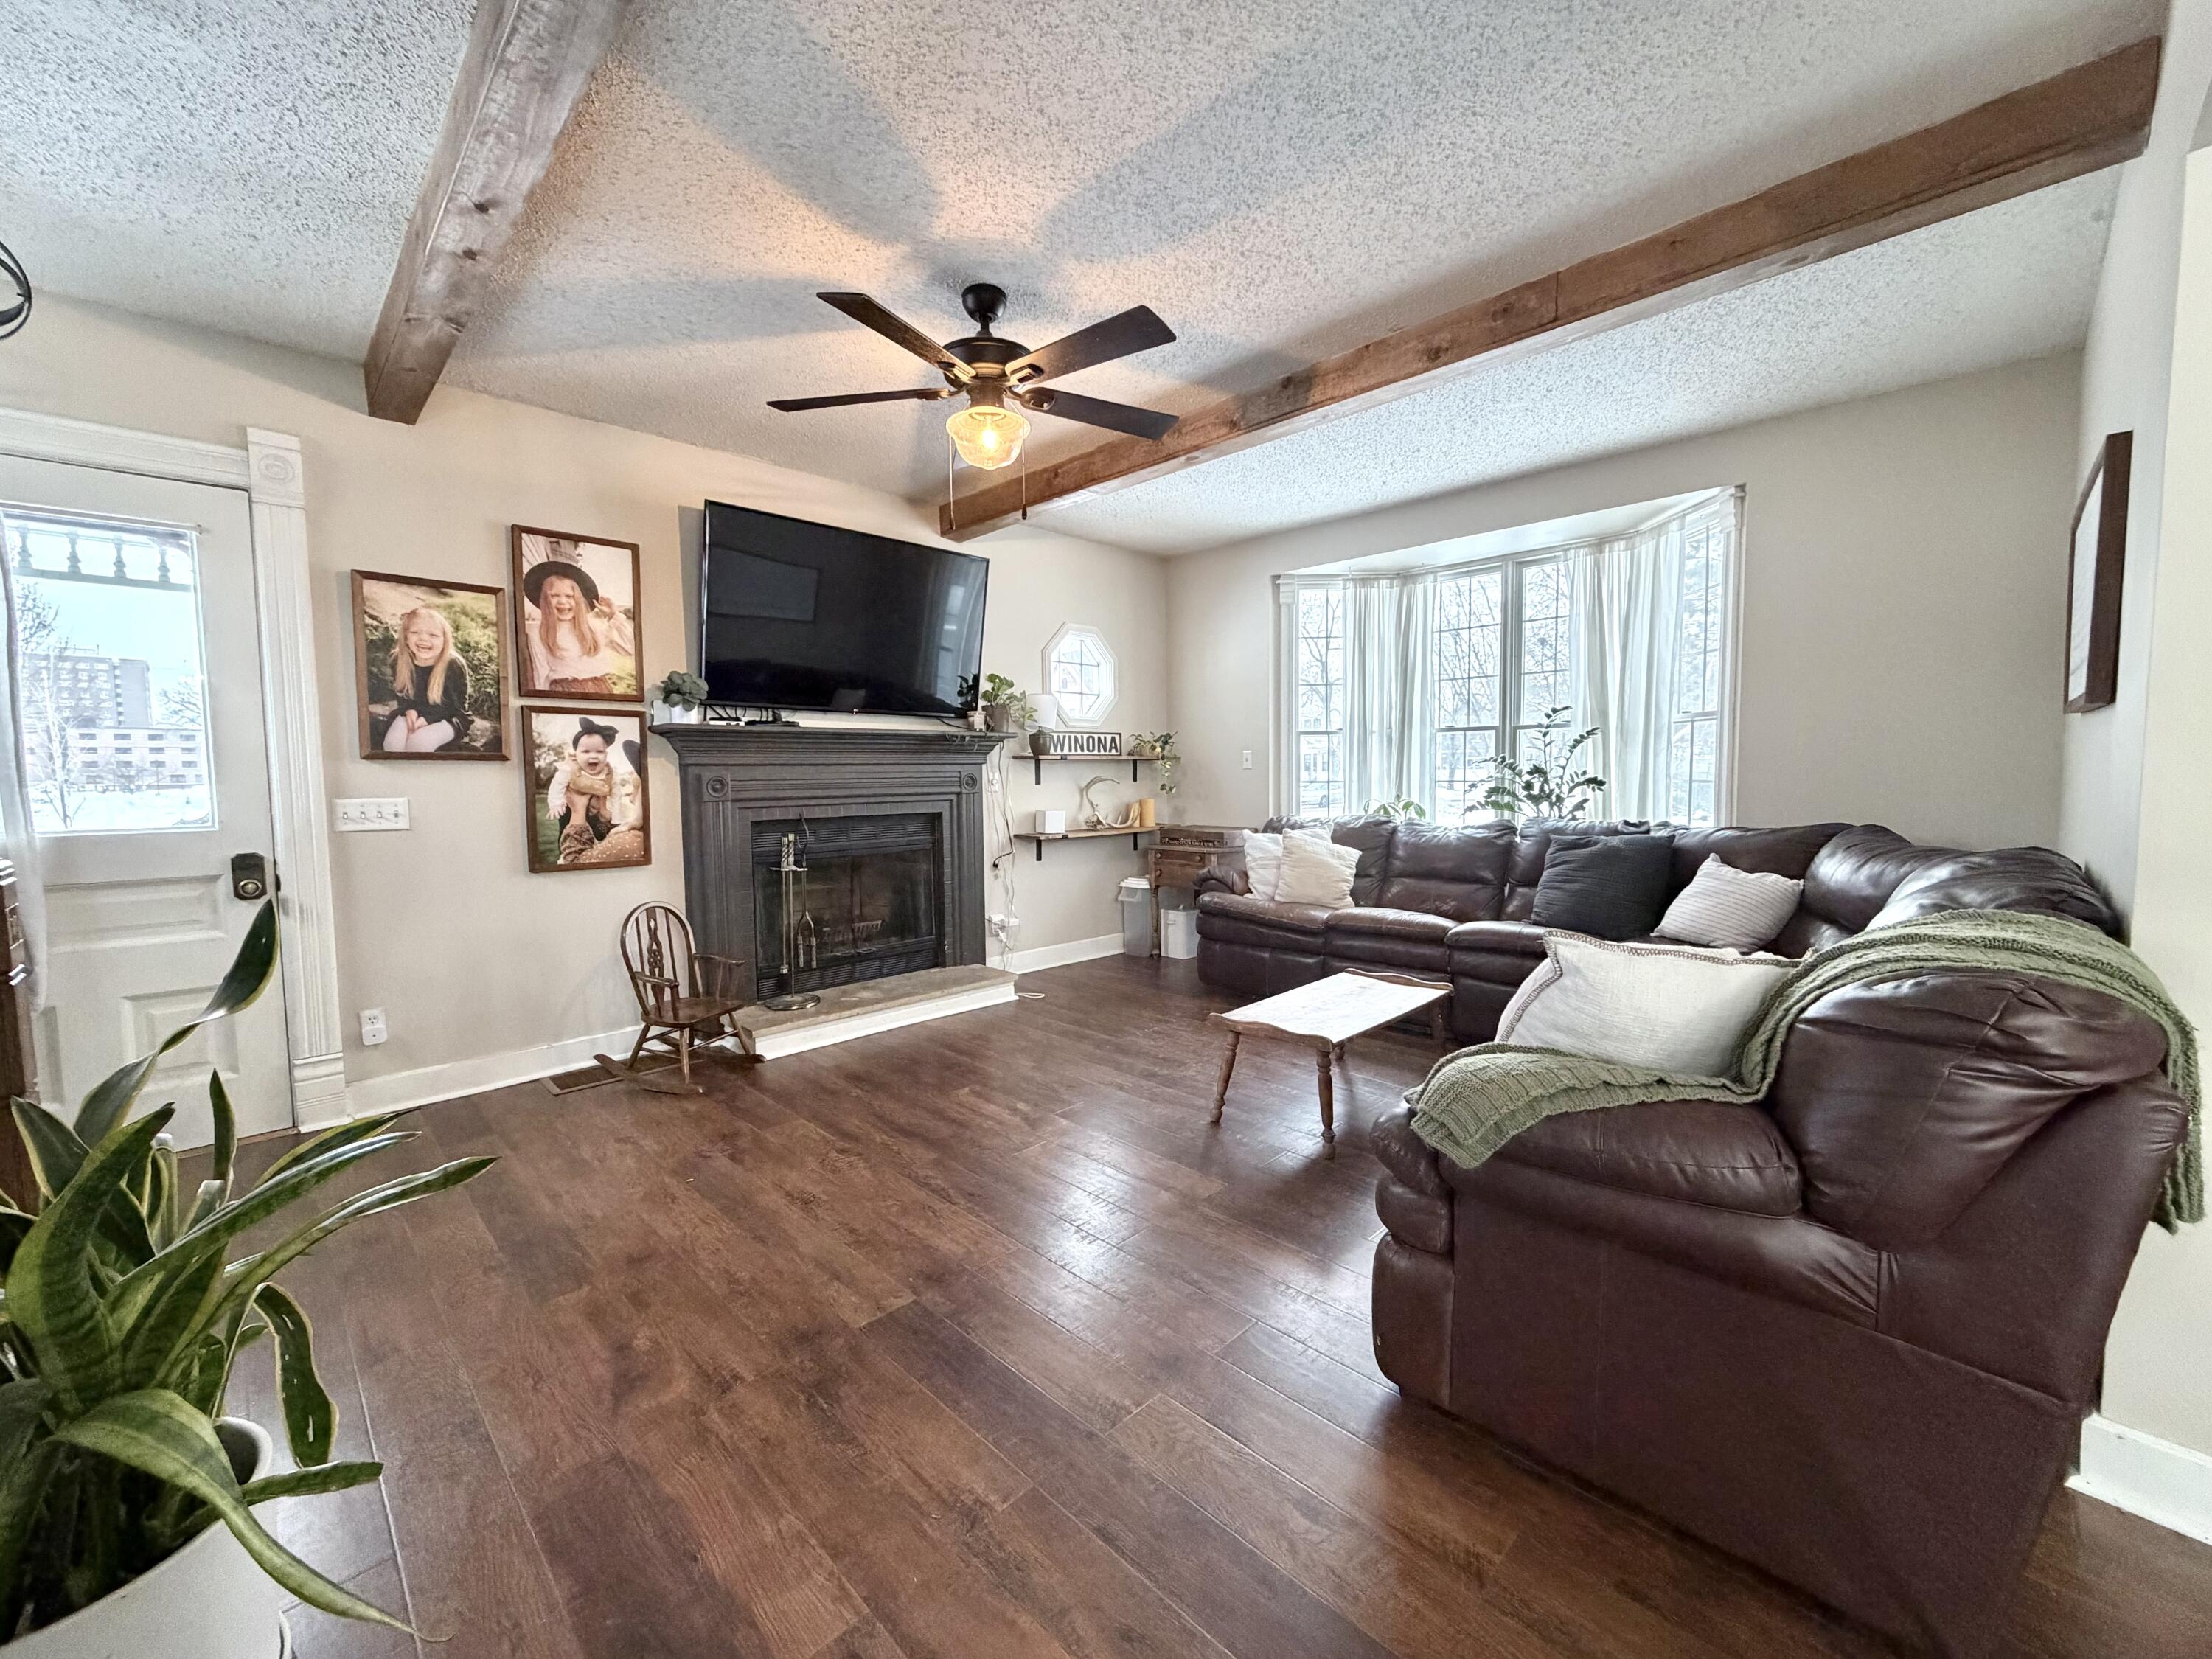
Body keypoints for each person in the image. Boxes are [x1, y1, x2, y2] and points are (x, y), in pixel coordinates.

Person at [521, 549, 634, 695]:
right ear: (545, 600)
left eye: (569, 596)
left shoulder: (595, 629)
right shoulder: (537, 632)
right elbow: (539, 675)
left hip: (601, 691)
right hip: (563, 694)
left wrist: (613, 615)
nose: (563, 602)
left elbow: (629, 648)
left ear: (579, 600)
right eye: (555, 596)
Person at [381, 605, 470, 753]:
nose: (423, 639)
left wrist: (428, 720)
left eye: (433, 635)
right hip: (416, 711)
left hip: (449, 716)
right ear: (406, 636)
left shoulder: (452, 665)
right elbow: (402, 693)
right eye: (415, 632)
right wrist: (409, 709)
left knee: (419, 744)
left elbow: (456, 707)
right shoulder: (400, 659)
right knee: (392, 745)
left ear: (444, 640)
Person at [546, 717, 621, 863]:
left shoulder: (609, 773)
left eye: (599, 752)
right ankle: (566, 855)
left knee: (601, 833)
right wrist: (556, 802)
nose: (593, 756)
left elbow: (617, 794)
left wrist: (617, 817)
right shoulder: (571, 768)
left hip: (597, 809)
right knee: (569, 830)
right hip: (571, 809)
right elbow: (558, 784)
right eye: (586, 751)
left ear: (606, 754)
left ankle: (597, 846)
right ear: (576, 754)